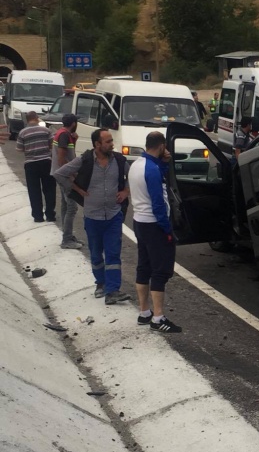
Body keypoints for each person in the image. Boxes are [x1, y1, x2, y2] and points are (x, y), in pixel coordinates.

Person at [54, 129, 130, 304]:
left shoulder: (119, 160)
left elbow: (132, 176)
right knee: (96, 254)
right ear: (97, 144)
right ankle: (101, 284)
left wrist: (126, 190)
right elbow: (59, 173)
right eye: (108, 141)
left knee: (113, 254)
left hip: (113, 216)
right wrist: (77, 189)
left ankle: (113, 291)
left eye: (111, 141)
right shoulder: (85, 160)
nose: (112, 144)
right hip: (92, 216)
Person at [128, 131, 181, 334]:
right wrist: (167, 229)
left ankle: (144, 312)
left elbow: (157, 177)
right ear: (161, 146)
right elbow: (158, 202)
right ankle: (158, 318)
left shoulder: (137, 165)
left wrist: (164, 163)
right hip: (154, 224)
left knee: (144, 267)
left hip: (139, 222)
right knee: (160, 270)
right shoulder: (151, 169)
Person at [16, 111, 56, 223]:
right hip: (46, 162)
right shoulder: (46, 130)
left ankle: (38, 216)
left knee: (34, 191)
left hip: (30, 164)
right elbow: (51, 145)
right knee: (49, 189)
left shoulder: (22, 133)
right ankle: (50, 215)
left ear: (27, 120)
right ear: (37, 118)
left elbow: (19, 149)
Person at [51, 113, 83, 250]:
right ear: (74, 123)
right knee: (72, 207)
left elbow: (66, 154)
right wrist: (71, 175)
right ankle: (67, 239)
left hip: (59, 174)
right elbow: (62, 159)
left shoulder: (62, 134)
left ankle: (67, 234)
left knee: (65, 205)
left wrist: (74, 141)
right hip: (64, 176)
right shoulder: (64, 135)